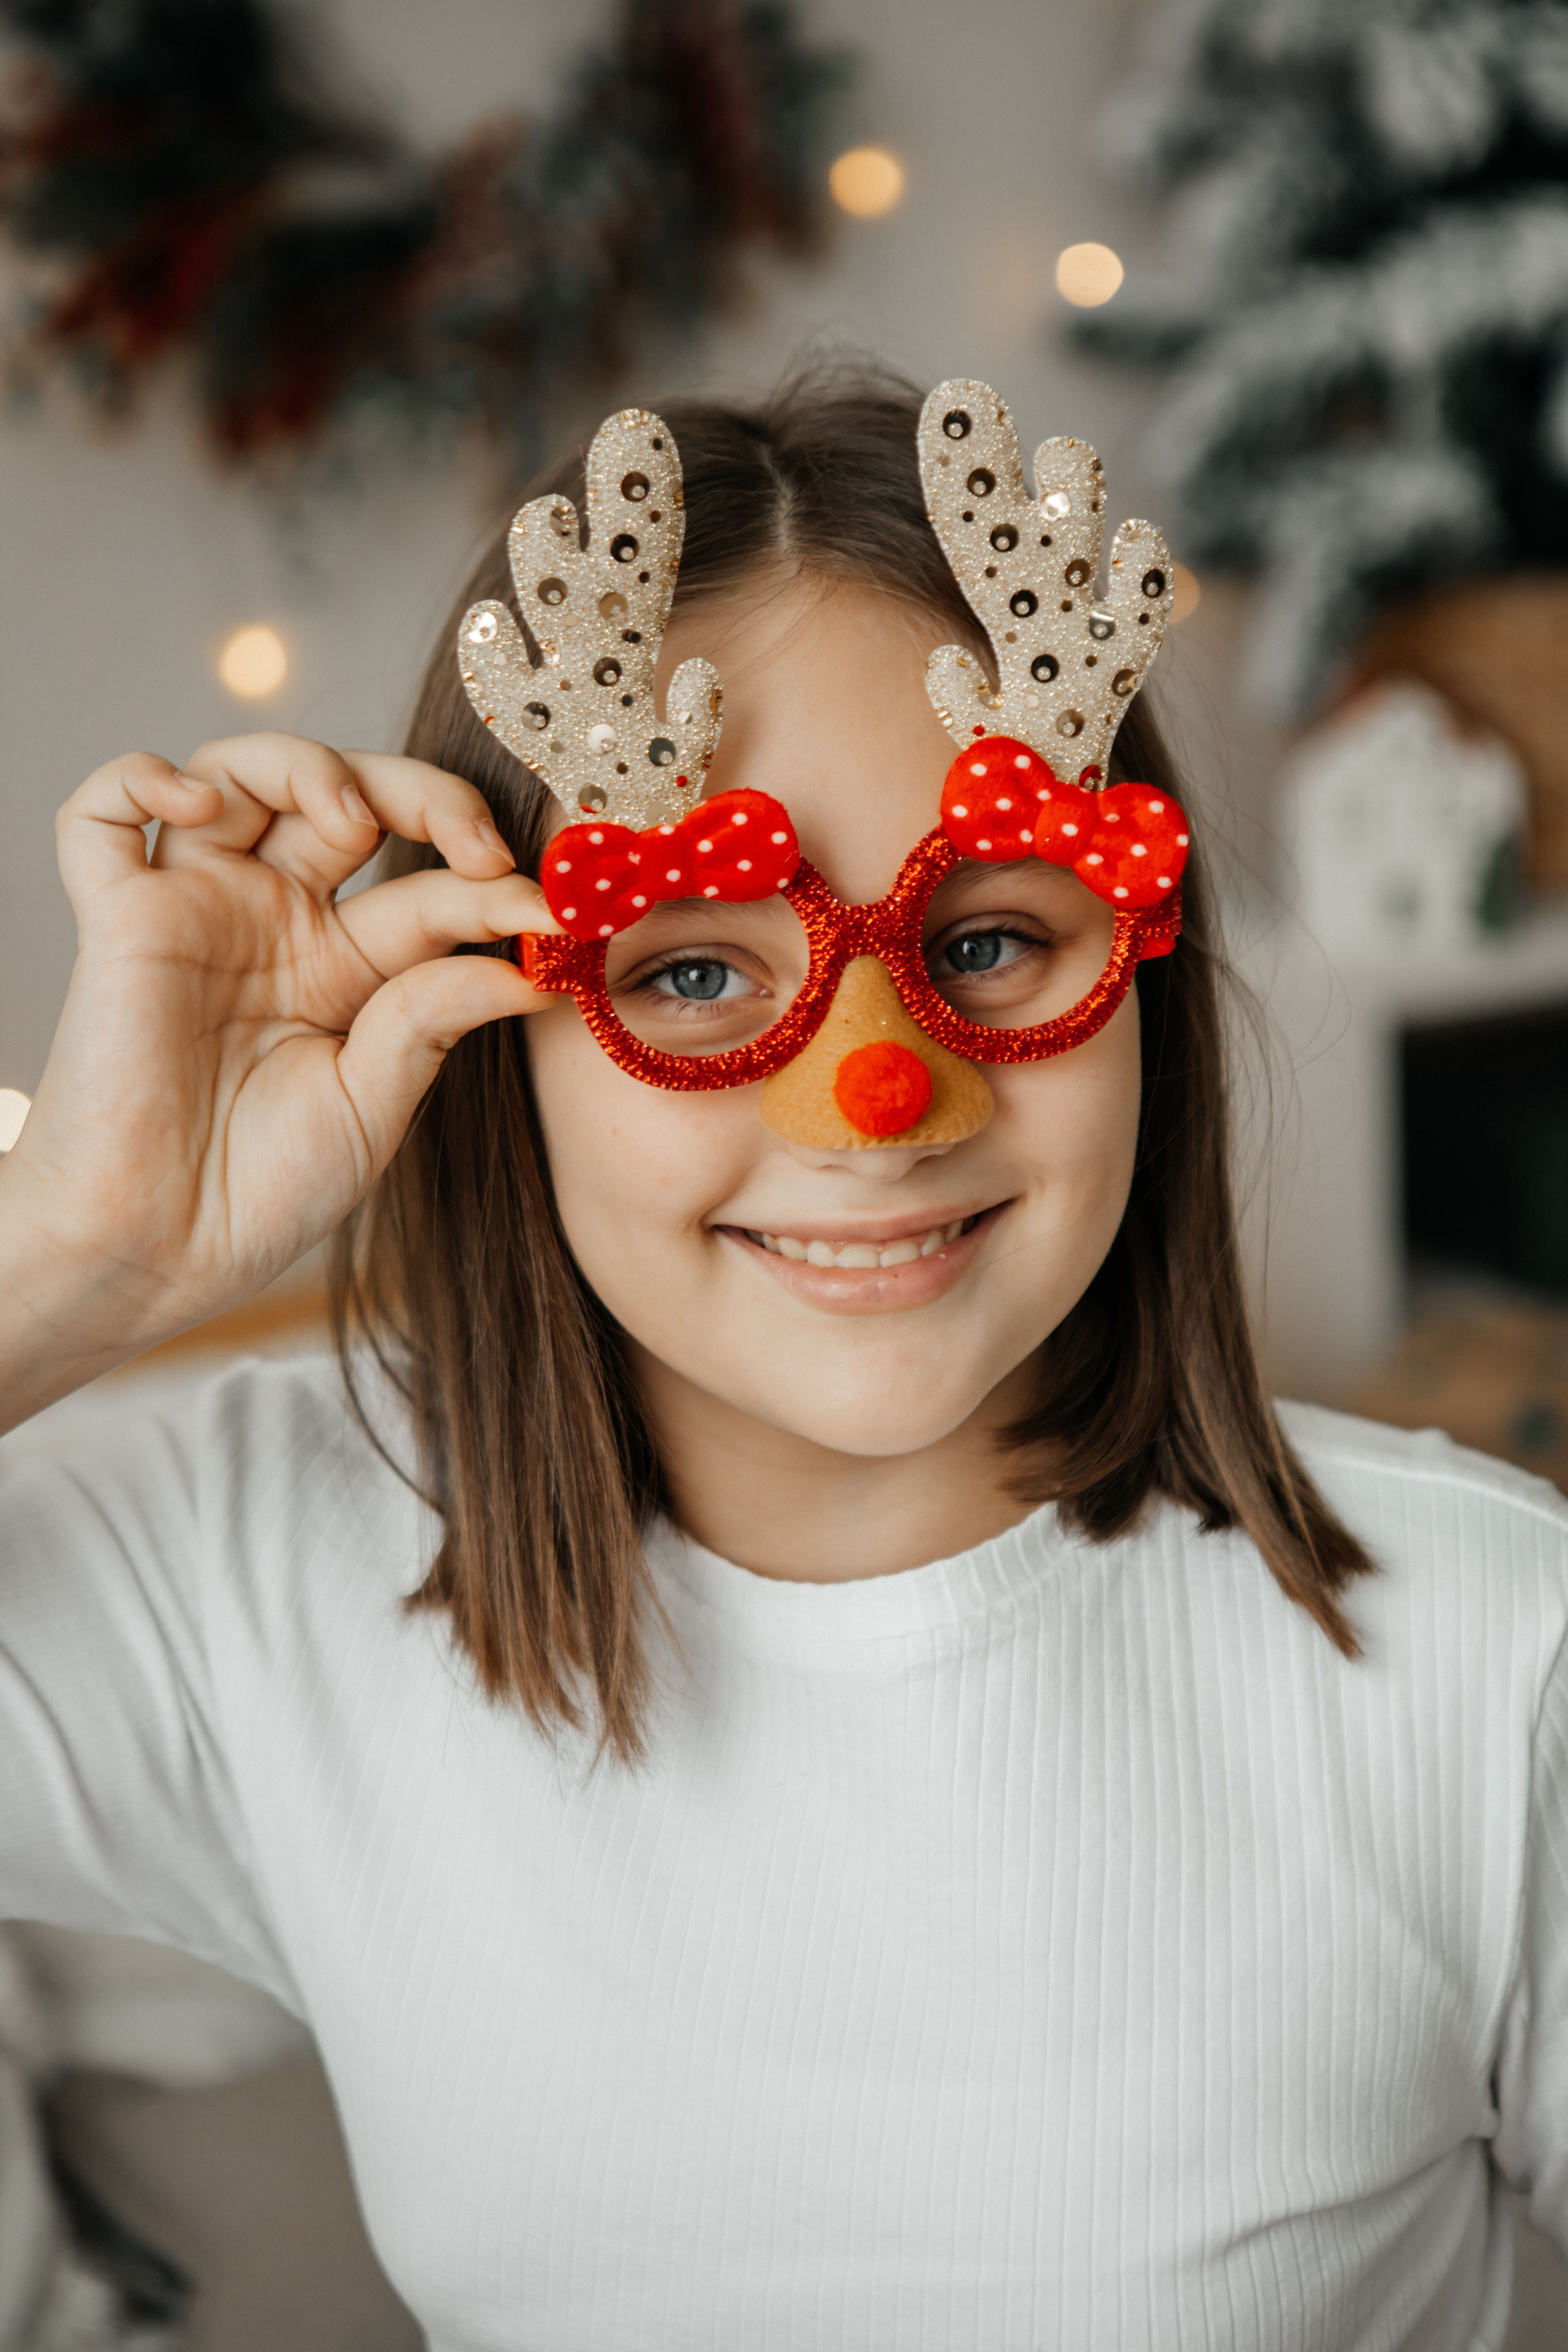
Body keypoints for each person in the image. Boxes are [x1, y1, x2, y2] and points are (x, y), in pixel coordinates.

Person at [1, 364, 1564, 2351]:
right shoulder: (245, 1569)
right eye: (689, 968)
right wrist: (74, 1245)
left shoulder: (1499, 1656)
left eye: (991, 940)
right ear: (498, 1022)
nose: (875, 1097)